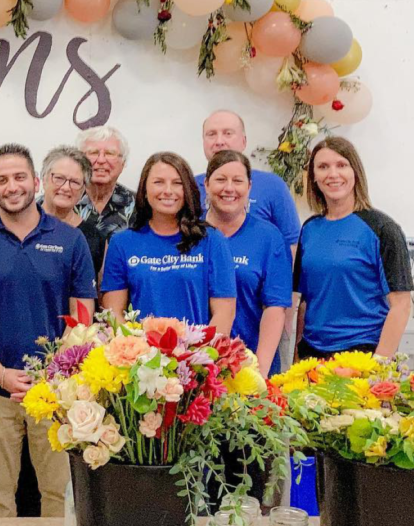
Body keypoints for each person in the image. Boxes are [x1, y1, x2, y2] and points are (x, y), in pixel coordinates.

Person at [0, 143, 95, 518]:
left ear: (34, 181)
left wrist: (51, 376)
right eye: (1, 180)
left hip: (55, 392)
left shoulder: (70, 240)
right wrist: (0, 374)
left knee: (60, 497)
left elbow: (81, 317)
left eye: (18, 177)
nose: (11, 186)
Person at [295, 137, 413, 359]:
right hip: (313, 354)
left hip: (362, 354)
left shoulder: (382, 229)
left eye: (341, 165)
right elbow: (305, 301)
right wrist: (297, 358)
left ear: (355, 172)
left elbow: (402, 305)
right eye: (323, 167)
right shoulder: (310, 229)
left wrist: (379, 365)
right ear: (313, 178)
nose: (332, 174)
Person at [101, 152, 236, 336]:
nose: (168, 191)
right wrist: (137, 354)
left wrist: (202, 356)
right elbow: (113, 313)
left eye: (177, 183)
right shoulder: (122, 243)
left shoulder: (211, 240)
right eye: (158, 182)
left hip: (196, 358)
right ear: (144, 190)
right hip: (141, 359)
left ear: (187, 189)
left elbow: (224, 313)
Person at [203, 151, 292, 376]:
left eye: (238, 181)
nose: (229, 188)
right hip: (196, 368)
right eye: (221, 180)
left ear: (249, 187)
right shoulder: (189, 236)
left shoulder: (268, 237)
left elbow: (275, 307)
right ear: (206, 184)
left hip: (249, 365)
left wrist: (258, 372)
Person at [196, 110, 301, 251]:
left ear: (243, 141)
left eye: (228, 133)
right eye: (211, 134)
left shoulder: (272, 186)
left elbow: (292, 244)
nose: (219, 141)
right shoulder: (190, 186)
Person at [40, 145, 106, 280]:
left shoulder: (94, 238)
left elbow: (99, 293)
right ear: (44, 179)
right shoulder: (20, 227)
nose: (65, 187)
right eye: (59, 178)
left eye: (75, 182)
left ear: (83, 190)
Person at [74, 126, 135, 242]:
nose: (101, 160)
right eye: (93, 153)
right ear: (79, 160)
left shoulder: (141, 207)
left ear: (123, 163)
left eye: (110, 153)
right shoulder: (61, 202)